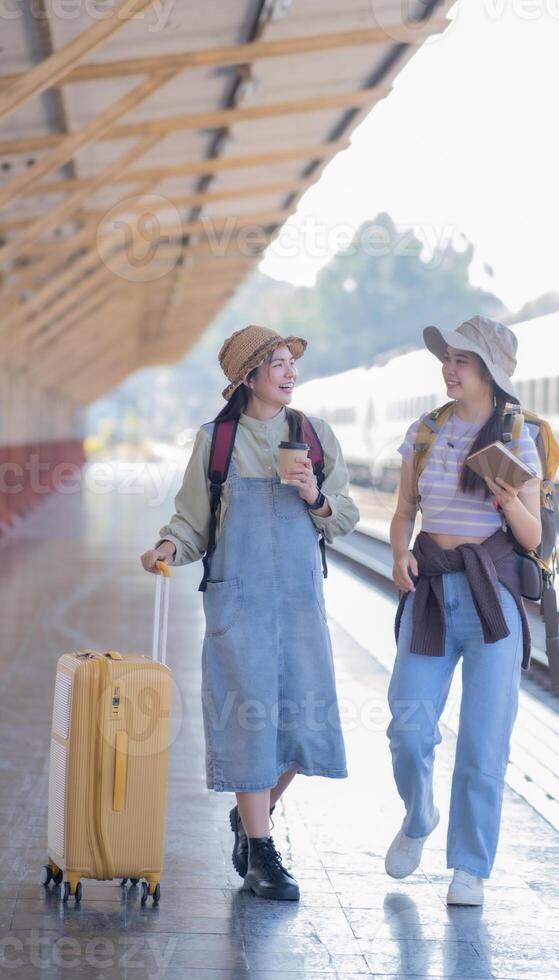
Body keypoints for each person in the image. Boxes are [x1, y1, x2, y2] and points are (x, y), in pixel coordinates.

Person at [140, 325, 359, 902]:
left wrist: (314, 494)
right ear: (249, 377)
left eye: (292, 363)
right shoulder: (216, 440)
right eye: (278, 364)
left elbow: (345, 515)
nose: (289, 373)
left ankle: (249, 820)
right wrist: (170, 546)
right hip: (238, 603)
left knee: (304, 722)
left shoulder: (314, 434)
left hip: (299, 605)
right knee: (250, 722)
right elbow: (192, 520)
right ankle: (262, 852)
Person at [385, 315, 541, 906]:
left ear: (490, 374)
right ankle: (419, 815)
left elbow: (531, 540)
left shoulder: (516, 438)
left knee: (483, 741)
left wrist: (507, 499)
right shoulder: (425, 432)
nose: (449, 369)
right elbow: (404, 511)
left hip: (490, 600)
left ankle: (470, 866)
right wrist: (400, 552)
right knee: (407, 726)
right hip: (429, 594)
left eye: (462, 361)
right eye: (447, 358)